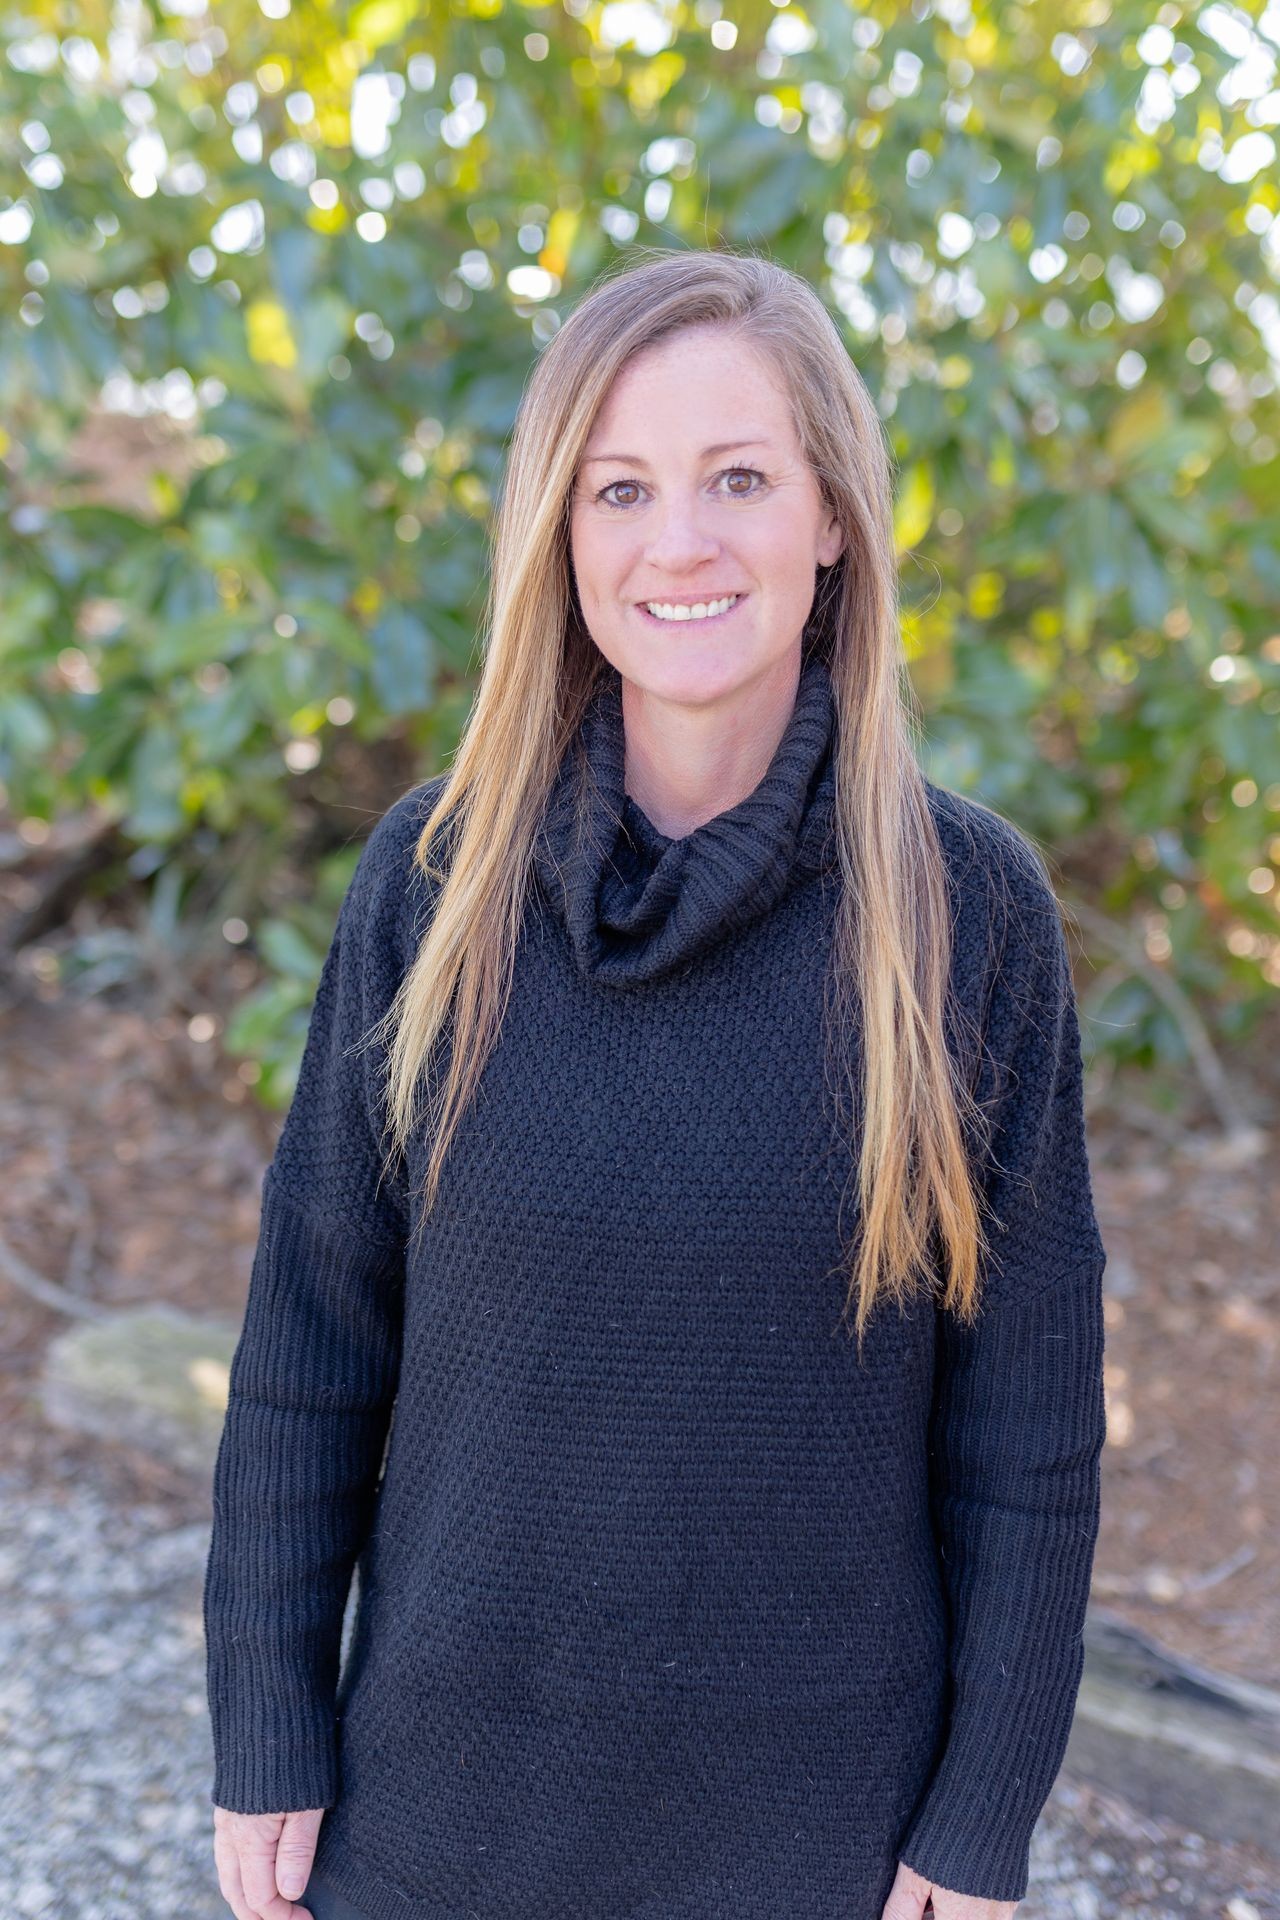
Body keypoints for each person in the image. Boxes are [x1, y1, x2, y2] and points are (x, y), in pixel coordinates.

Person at [204, 248, 1108, 1920]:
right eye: (619, 488)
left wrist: (980, 1824)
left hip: (817, 1846)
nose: (676, 540)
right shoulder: (435, 880)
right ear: (561, 533)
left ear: (834, 518)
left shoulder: (963, 914)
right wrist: (267, 1725)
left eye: (740, 478)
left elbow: (1027, 1437)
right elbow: (307, 1353)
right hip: (434, 1826)